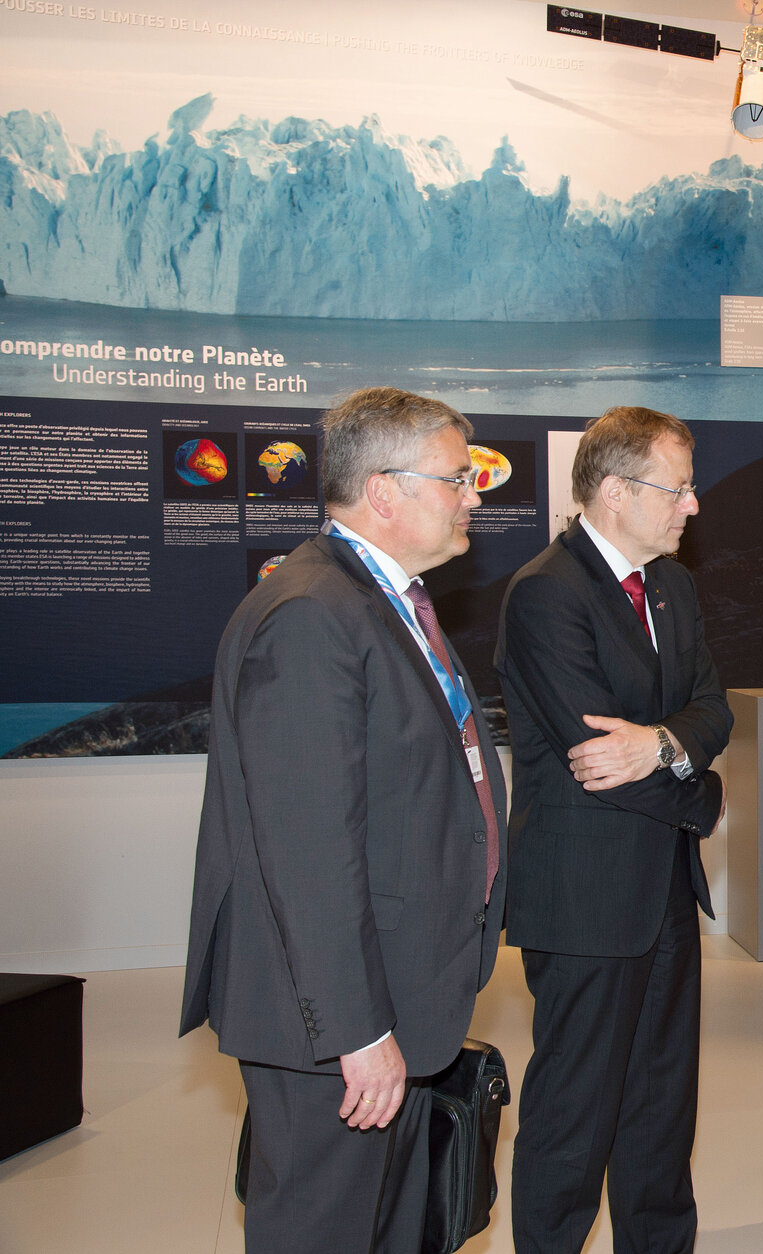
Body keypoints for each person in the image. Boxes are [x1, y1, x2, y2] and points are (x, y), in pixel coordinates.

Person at [179, 387, 507, 1253]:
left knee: (391, 1225)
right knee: (324, 1228)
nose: (475, 495)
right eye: (457, 478)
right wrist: (359, 1032)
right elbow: (308, 850)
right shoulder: (312, 616)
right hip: (333, 1019)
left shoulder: (379, 600)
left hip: (396, 985)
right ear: (385, 490)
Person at [496, 406, 731, 1254]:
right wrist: (700, 798)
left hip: (665, 890)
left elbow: (713, 708)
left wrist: (664, 743)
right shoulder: (546, 595)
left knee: (662, 1113)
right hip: (586, 902)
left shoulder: (672, 585)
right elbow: (595, 761)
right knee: (572, 1120)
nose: (692, 507)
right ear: (613, 491)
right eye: (677, 488)